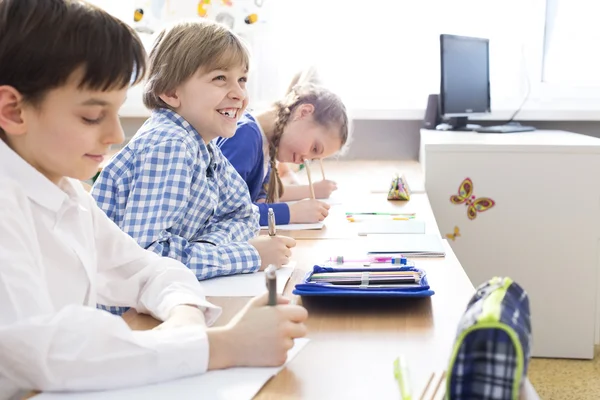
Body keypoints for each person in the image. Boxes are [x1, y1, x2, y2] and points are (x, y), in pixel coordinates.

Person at [0, 1, 307, 397]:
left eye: (116, 111)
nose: (116, 135)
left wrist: (184, 314)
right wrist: (225, 345)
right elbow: (45, 353)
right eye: (93, 116)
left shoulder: (64, 189)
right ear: (13, 110)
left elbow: (145, 268)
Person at [91, 20, 296, 303]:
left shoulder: (203, 145)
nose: (239, 93)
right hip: (122, 314)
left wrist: (204, 247)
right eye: (220, 78)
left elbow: (243, 215)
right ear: (172, 93)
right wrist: (248, 255)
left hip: (158, 300)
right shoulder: (170, 144)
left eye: (242, 79)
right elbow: (144, 260)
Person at [217, 81, 350, 226]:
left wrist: (266, 205)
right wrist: (291, 213)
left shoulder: (266, 146)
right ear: (304, 112)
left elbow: (255, 200)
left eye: (313, 158)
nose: (305, 160)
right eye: (314, 148)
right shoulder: (245, 137)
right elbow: (226, 213)